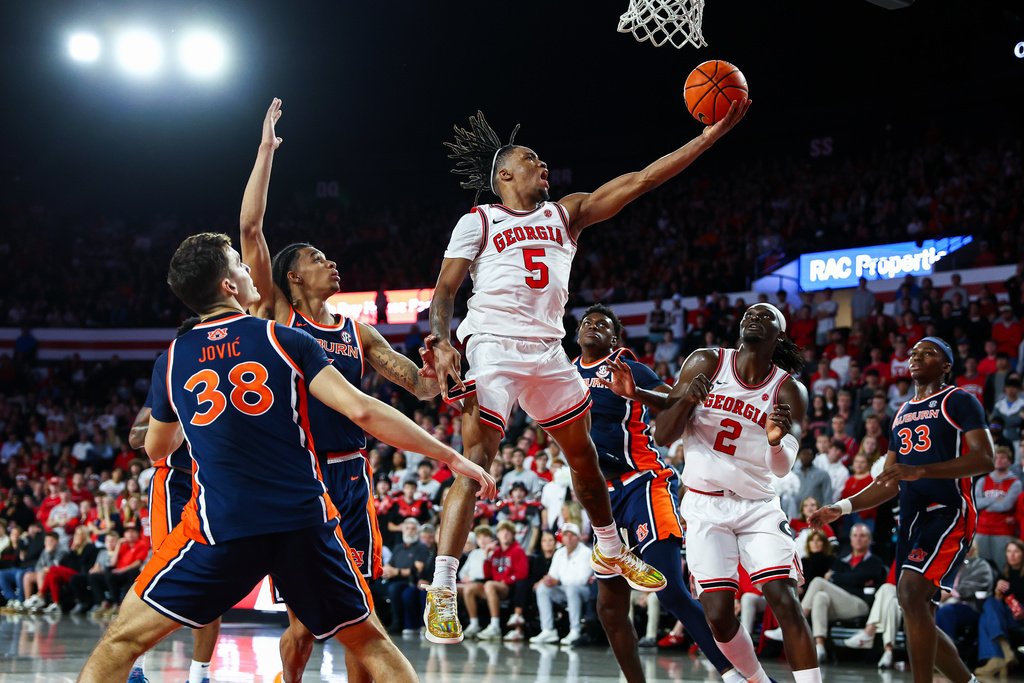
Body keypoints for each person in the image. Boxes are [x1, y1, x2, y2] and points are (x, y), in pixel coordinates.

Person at [75, 232, 495, 683]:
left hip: (226, 523)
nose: (248, 269)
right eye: (238, 263)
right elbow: (364, 410)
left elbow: (156, 448)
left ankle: (206, 670)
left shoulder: (173, 359)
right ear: (229, 286)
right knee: (370, 642)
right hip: (304, 519)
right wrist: (452, 457)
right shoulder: (283, 338)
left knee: (120, 641)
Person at [420, 100, 749, 643]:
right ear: (504, 174)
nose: (542, 166)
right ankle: (445, 586)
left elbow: (642, 180)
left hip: (549, 350)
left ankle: (612, 547)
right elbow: (445, 290)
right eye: (531, 160)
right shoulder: (478, 220)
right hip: (494, 346)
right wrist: (441, 339)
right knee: (474, 462)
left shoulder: (565, 214)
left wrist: (709, 137)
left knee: (584, 457)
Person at [237, 99, 452, 683]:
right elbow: (252, 229)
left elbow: (423, 390)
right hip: (300, 477)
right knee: (306, 625)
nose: (331, 262)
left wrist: (434, 369)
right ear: (291, 277)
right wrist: (266, 151)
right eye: (316, 258)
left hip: (353, 477)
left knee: (363, 615)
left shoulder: (359, 332)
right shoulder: (278, 314)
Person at [575, 304, 748, 683]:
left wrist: (635, 392)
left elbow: (676, 402)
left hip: (643, 483)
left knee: (669, 589)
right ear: (577, 334)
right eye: (586, 322)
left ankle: (736, 672)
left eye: (602, 325)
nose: (592, 327)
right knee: (608, 609)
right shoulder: (564, 374)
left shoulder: (628, 368)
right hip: (602, 497)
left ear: (614, 338)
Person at [810, 336, 996, 683]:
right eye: (913, 353)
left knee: (909, 593)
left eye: (928, 353)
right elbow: (889, 480)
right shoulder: (903, 412)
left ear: (946, 365)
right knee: (915, 609)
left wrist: (923, 470)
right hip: (912, 518)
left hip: (950, 511)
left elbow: (984, 458)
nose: (916, 357)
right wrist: (842, 506)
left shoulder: (959, 401)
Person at [655, 303, 821, 683]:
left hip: (756, 505)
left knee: (783, 597)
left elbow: (782, 467)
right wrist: (685, 402)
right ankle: (758, 681)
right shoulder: (706, 362)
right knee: (716, 613)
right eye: (750, 314)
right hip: (703, 503)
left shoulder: (789, 389)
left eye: (766, 316)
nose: (753, 318)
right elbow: (664, 435)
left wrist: (776, 443)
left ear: (779, 335)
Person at [127, 315, 216, 683]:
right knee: (161, 572)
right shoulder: (171, 372)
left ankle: (200, 675)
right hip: (174, 483)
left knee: (214, 576)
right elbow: (135, 439)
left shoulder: (226, 370)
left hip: (214, 483)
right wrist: (175, 416)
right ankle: (135, 667)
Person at [764, 524, 887, 663]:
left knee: (818, 582)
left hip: (861, 605)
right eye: (855, 536)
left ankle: (791, 625)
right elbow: (853, 580)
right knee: (819, 597)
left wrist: (837, 577)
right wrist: (853, 580)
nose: (858, 539)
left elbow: (853, 578)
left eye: (863, 536)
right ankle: (820, 646)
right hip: (841, 605)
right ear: (850, 540)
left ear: (869, 540)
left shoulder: (875, 561)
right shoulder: (841, 561)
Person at [529, 522, 594, 646]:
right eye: (565, 535)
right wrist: (548, 580)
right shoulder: (559, 553)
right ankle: (548, 630)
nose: (568, 538)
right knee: (542, 588)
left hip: (583, 591)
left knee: (571, 588)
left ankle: (575, 629)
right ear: (562, 538)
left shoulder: (586, 553)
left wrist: (557, 581)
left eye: (572, 535)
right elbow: (553, 574)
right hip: (564, 589)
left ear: (578, 538)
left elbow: (582, 580)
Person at [974, 539, 1024, 676]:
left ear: (1022, 554)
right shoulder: (1004, 575)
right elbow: (997, 605)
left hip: (1020, 616)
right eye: (1009, 551)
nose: (1012, 555)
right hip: (1006, 616)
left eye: (1016, 552)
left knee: (985, 617)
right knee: (989, 606)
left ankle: (999, 656)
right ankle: (1003, 652)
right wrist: (997, 592)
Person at [973, 446, 1021, 568]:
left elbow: (1005, 505)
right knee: (980, 565)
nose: (999, 460)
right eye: (996, 457)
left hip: (1003, 530)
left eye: (1002, 457)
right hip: (982, 529)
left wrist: (986, 503)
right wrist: (995, 499)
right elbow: (976, 503)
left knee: (1003, 566)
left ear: (1009, 461)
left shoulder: (1015, 483)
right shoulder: (983, 480)